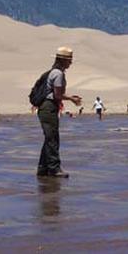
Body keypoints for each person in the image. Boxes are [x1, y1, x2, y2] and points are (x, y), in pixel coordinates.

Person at [36, 47, 82, 178]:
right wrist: (72, 99)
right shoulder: (58, 74)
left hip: (47, 107)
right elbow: (57, 95)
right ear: (62, 60)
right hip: (49, 107)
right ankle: (54, 169)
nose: (71, 63)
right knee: (52, 138)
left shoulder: (54, 72)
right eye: (69, 60)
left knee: (49, 138)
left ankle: (43, 168)